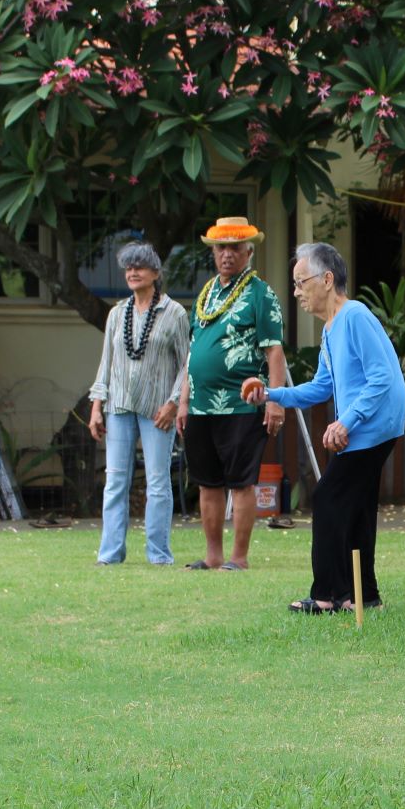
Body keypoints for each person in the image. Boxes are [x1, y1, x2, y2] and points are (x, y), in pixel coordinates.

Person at [243, 242, 405, 613]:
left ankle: (328, 595)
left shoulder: (355, 316)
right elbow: (320, 387)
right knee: (355, 507)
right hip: (368, 428)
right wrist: (269, 394)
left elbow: (382, 378)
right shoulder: (332, 329)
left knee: (330, 498)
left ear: (327, 279)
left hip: (375, 427)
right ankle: (362, 597)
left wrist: (347, 420)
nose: (297, 291)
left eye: (302, 282)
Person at [178, 216, 287, 570]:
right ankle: (213, 556)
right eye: (220, 248)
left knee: (241, 482)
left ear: (248, 252)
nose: (227, 254)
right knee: (207, 483)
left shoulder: (261, 294)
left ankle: (238, 558)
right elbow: (193, 352)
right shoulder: (207, 294)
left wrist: (274, 400)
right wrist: (182, 401)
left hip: (243, 404)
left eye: (234, 248)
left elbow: (274, 351)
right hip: (200, 405)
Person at [88, 242, 192, 566]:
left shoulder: (174, 313)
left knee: (158, 482)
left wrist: (175, 403)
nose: (133, 272)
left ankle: (159, 555)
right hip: (118, 406)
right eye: (128, 267)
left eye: (140, 267)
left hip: (158, 410)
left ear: (156, 273)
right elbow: (106, 361)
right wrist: (96, 404)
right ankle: (110, 554)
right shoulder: (117, 313)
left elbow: (188, 363)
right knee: (116, 479)